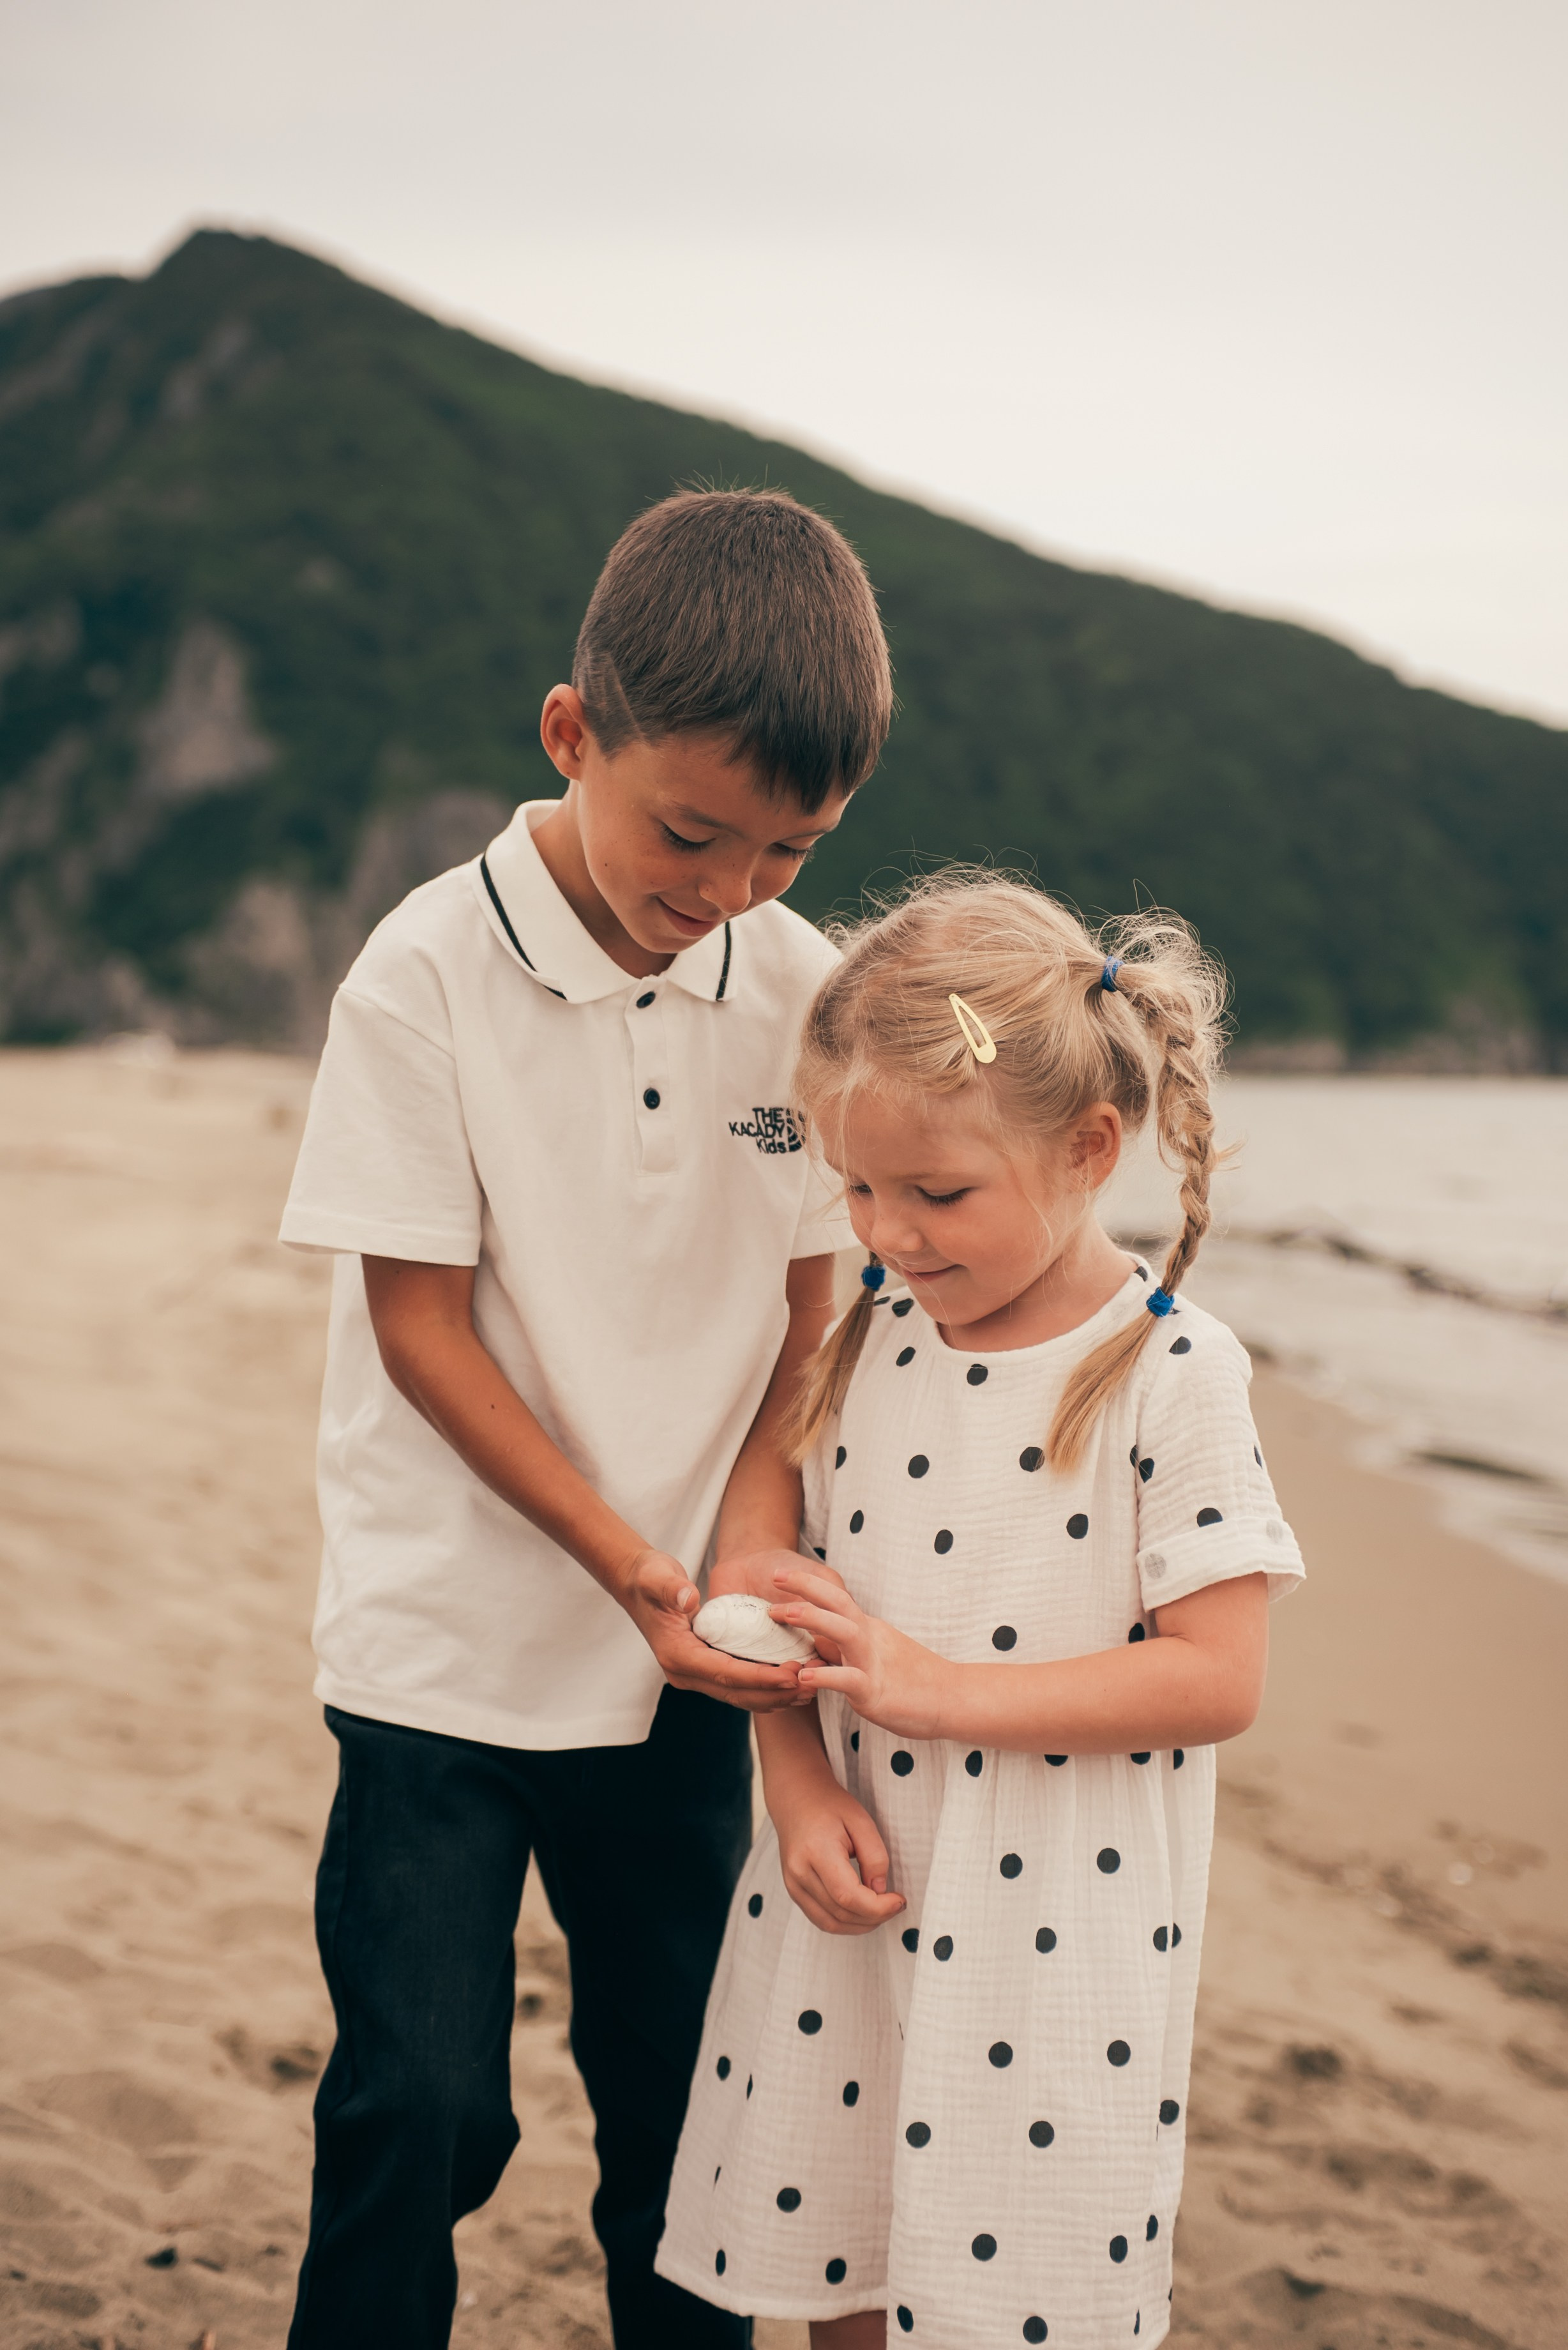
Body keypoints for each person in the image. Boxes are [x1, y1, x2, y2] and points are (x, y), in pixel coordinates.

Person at [277, 488, 893, 2350]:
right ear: (571, 733)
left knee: (684, 2116)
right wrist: (627, 1558)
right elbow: (419, 1329)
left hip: (685, 1662)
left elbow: (810, 1312)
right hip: (445, 1644)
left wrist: (742, 1554)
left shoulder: (803, 990)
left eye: (788, 850)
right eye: (690, 832)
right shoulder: (421, 974)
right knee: (419, 2105)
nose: (728, 890)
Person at [657, 874, 1306, 2349]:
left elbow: (1216, 1677)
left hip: (1051, 1937)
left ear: (1089, 1148)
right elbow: (779, 1569)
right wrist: (795, 1775)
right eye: (856, 1188)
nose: (888, 1232)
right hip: (854, 1896)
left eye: (937, 1194)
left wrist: (929, 1687)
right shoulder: (865, 1337)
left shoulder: (1174, 1373)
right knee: (843, 2265)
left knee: (1008, 2294)